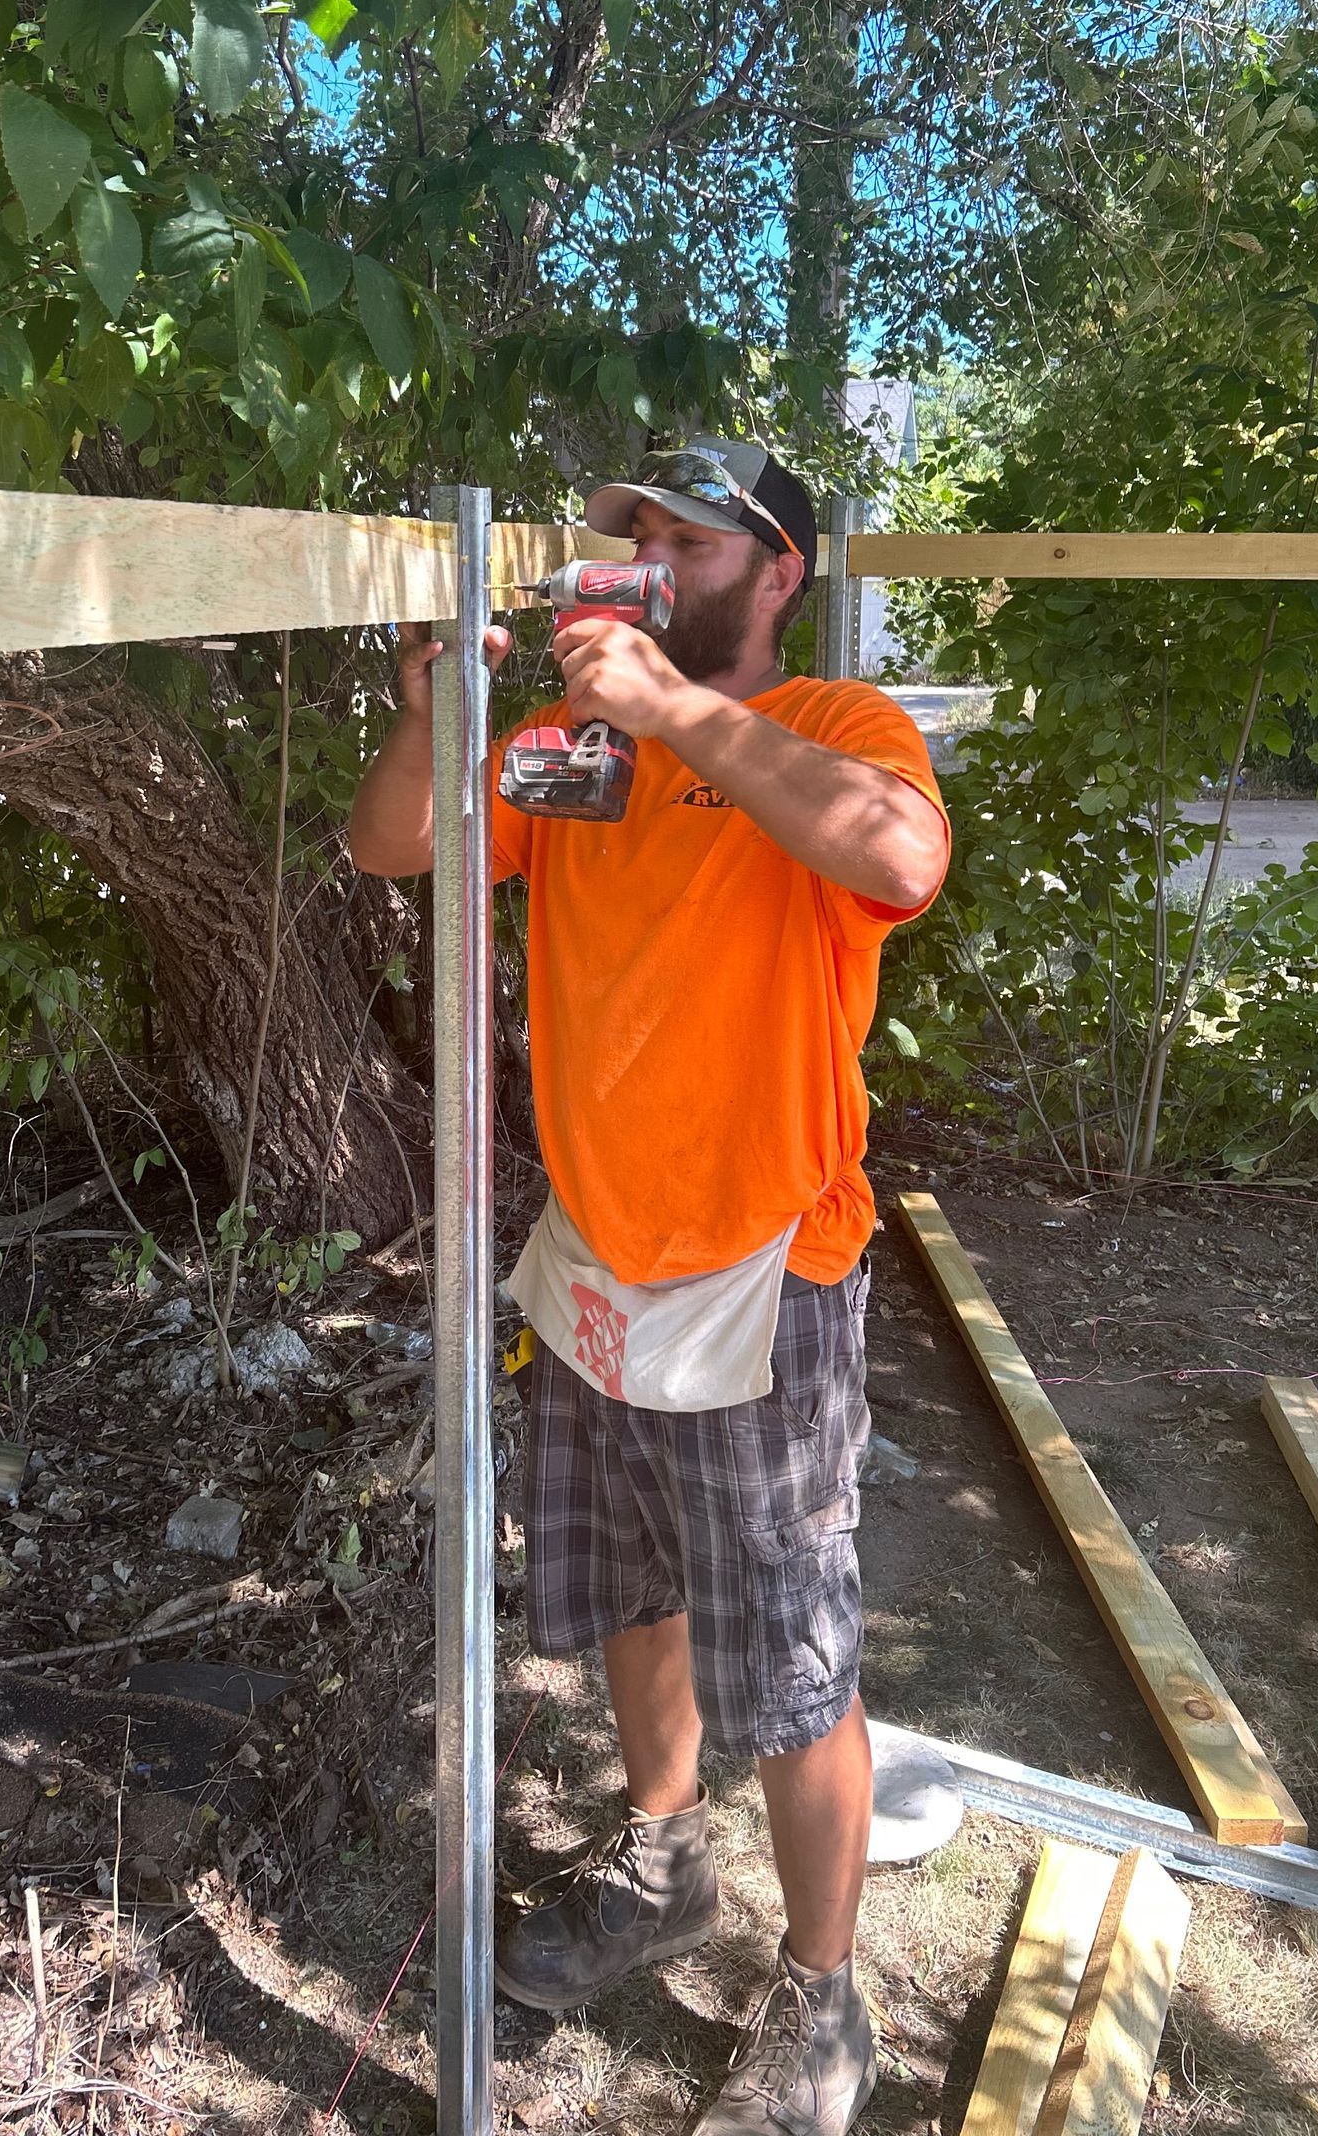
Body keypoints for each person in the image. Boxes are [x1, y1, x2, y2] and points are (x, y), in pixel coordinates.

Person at [348, 435, 949, 2136]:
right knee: (631, 1590)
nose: (653, 563)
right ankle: (667, 1852)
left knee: (797, 1652)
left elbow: (898, 861)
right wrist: (434, 716)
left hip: (766, 1266)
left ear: (778, 576)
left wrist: (679, 715)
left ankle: (824, 2004)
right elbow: (394, 847)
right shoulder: (573, 751)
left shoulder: (830, 731)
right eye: (638, 540)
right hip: (597, 1252)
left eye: (693, 542)